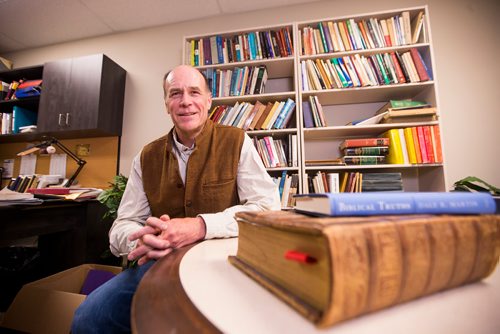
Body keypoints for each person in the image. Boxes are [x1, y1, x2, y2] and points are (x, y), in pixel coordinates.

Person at [71, 64, 281, 333]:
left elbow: (267, 208)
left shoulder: (237, 142)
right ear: (166, 103)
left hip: (226, 265)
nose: (185, 102)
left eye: (194, 92)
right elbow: (121, 227)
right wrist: (143, 237)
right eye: (175, 93)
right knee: (88, 319)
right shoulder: (146, 157)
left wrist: (202, 226)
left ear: (208, 100)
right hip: (161, 267)